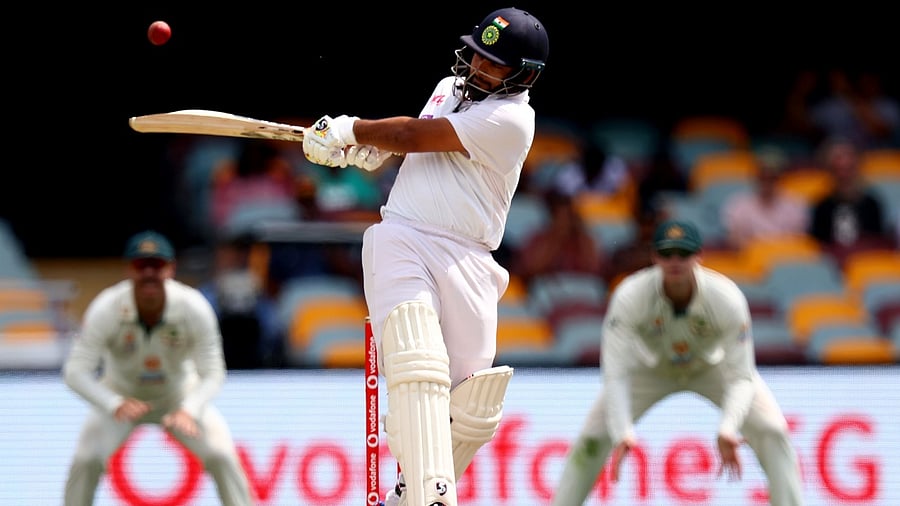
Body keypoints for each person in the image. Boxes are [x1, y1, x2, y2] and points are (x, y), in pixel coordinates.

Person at [301, 7, 549, 506]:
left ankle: (406, 496)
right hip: (405, 236)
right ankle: (435, 497)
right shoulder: (449, 86)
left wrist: (353, 130)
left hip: (471, 259)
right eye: (476, 54)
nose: (477, 66)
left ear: (522, 75)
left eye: (492, 63)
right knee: (420, 365)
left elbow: (416, 136)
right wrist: (373, 151)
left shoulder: (512, 120)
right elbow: (419, 140)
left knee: (474, 408)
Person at [551, 219, 804, 506]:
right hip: (648, 370)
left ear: (699, 256)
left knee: (773, 430)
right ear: (654, 256)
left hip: (712, 369)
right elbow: (616, 374)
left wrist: (727, 428)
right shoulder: (630, 295)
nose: (675, 262)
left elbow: (741, 378)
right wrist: (622, 430)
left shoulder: (726, 298)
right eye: (667, 253)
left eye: (683, 253)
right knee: (592, 440)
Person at [61, 230, 254, 506]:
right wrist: (113, 402)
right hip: (122, 395)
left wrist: (191, 408)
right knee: (86, 459)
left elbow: (213, 373)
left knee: (222, 456)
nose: (149, 273)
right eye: (141, 266)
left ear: (171, 269)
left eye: (157, 265)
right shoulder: (107, 308)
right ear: (129, 269)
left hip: (177, 397)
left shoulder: (193, 307)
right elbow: (75, 372)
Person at [720, 147, 810, 250]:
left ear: (781, 177)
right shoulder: (737, 204)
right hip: (750, 258)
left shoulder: (796, 204)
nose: (767, 182)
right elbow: (734, 242)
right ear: (755, 176)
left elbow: (798, 241)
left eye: (772, 177)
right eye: (763, 176)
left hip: (785, 257)